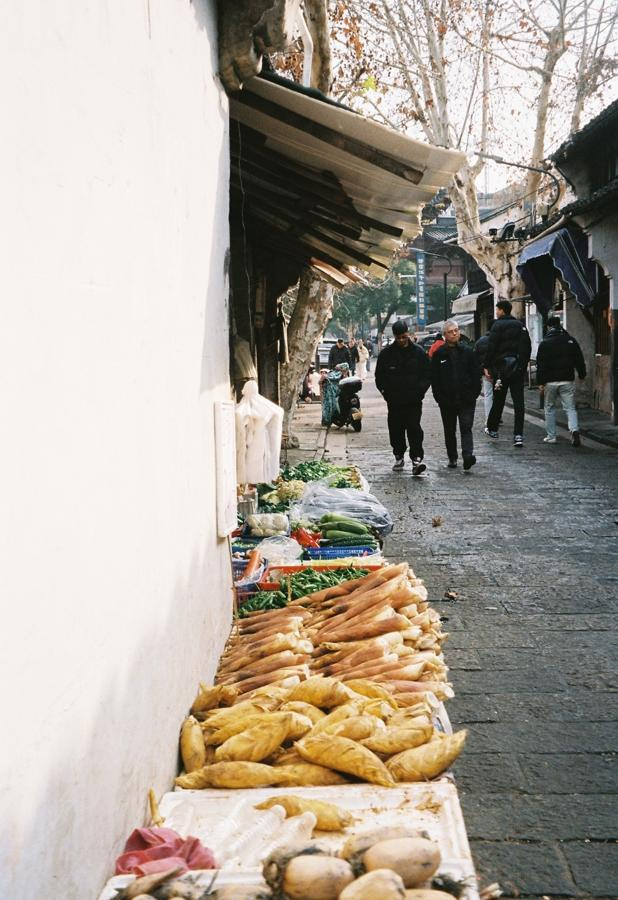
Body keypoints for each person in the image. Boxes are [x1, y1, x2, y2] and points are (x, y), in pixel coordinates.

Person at [375, 319, 431, 474]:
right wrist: (386, 393)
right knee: (396, 429)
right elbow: (380, 377)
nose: (401, 340)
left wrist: (420, 391)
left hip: (414, 400)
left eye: (404, 337)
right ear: (394, 336)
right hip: (394, 401)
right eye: (398, 338)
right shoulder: (386, 354)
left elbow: (427, 374)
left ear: (408, 334)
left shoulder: (419, 352)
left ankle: (417, 459)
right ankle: (398, 455)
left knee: (414, 428)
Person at [431, 320, 481, 470]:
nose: (455, 333)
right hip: (447, 400)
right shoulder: (439, 354)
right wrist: (439, 397)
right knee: (449, 430)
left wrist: (474, 393)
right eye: (451, 331)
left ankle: (467, 456)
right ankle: (452, 457)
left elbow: (475, 374)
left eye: (456, 330)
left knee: (466, 427)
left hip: (466, 398)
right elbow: (435, 379)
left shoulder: (467, 351)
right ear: (444, 335)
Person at [484, 300, 532, 447]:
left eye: (497, 310)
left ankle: (493, 429)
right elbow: (526, 347)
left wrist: (487, 366)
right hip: (517, 369)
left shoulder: (497, 326)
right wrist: (521, 366)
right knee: (519, 403)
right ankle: (518, 435)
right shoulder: (520, 325)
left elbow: (491, 347)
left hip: (501, 370)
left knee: (498, 400)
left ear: (502, 310)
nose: (496, 312)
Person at [536, 315, 587, 446]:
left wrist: (540, 383)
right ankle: (574, 430)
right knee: (570, 408)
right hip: (567, 379)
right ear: (560, 325)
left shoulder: (545, 342)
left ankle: (551, 436)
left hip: (550, 381)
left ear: (548, 327)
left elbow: (540, 365)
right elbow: (579, 359)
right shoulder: (570, 340)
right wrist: (582, 374)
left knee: (549, 408)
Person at [474, 318, 495, 425]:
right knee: (498, 395)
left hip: (485, 373)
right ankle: (496, 417)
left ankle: (489, 418)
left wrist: (481, 371)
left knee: (488, 395)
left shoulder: (480, 341)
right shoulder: (499, 340)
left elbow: (475, 358)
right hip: (498, 372)